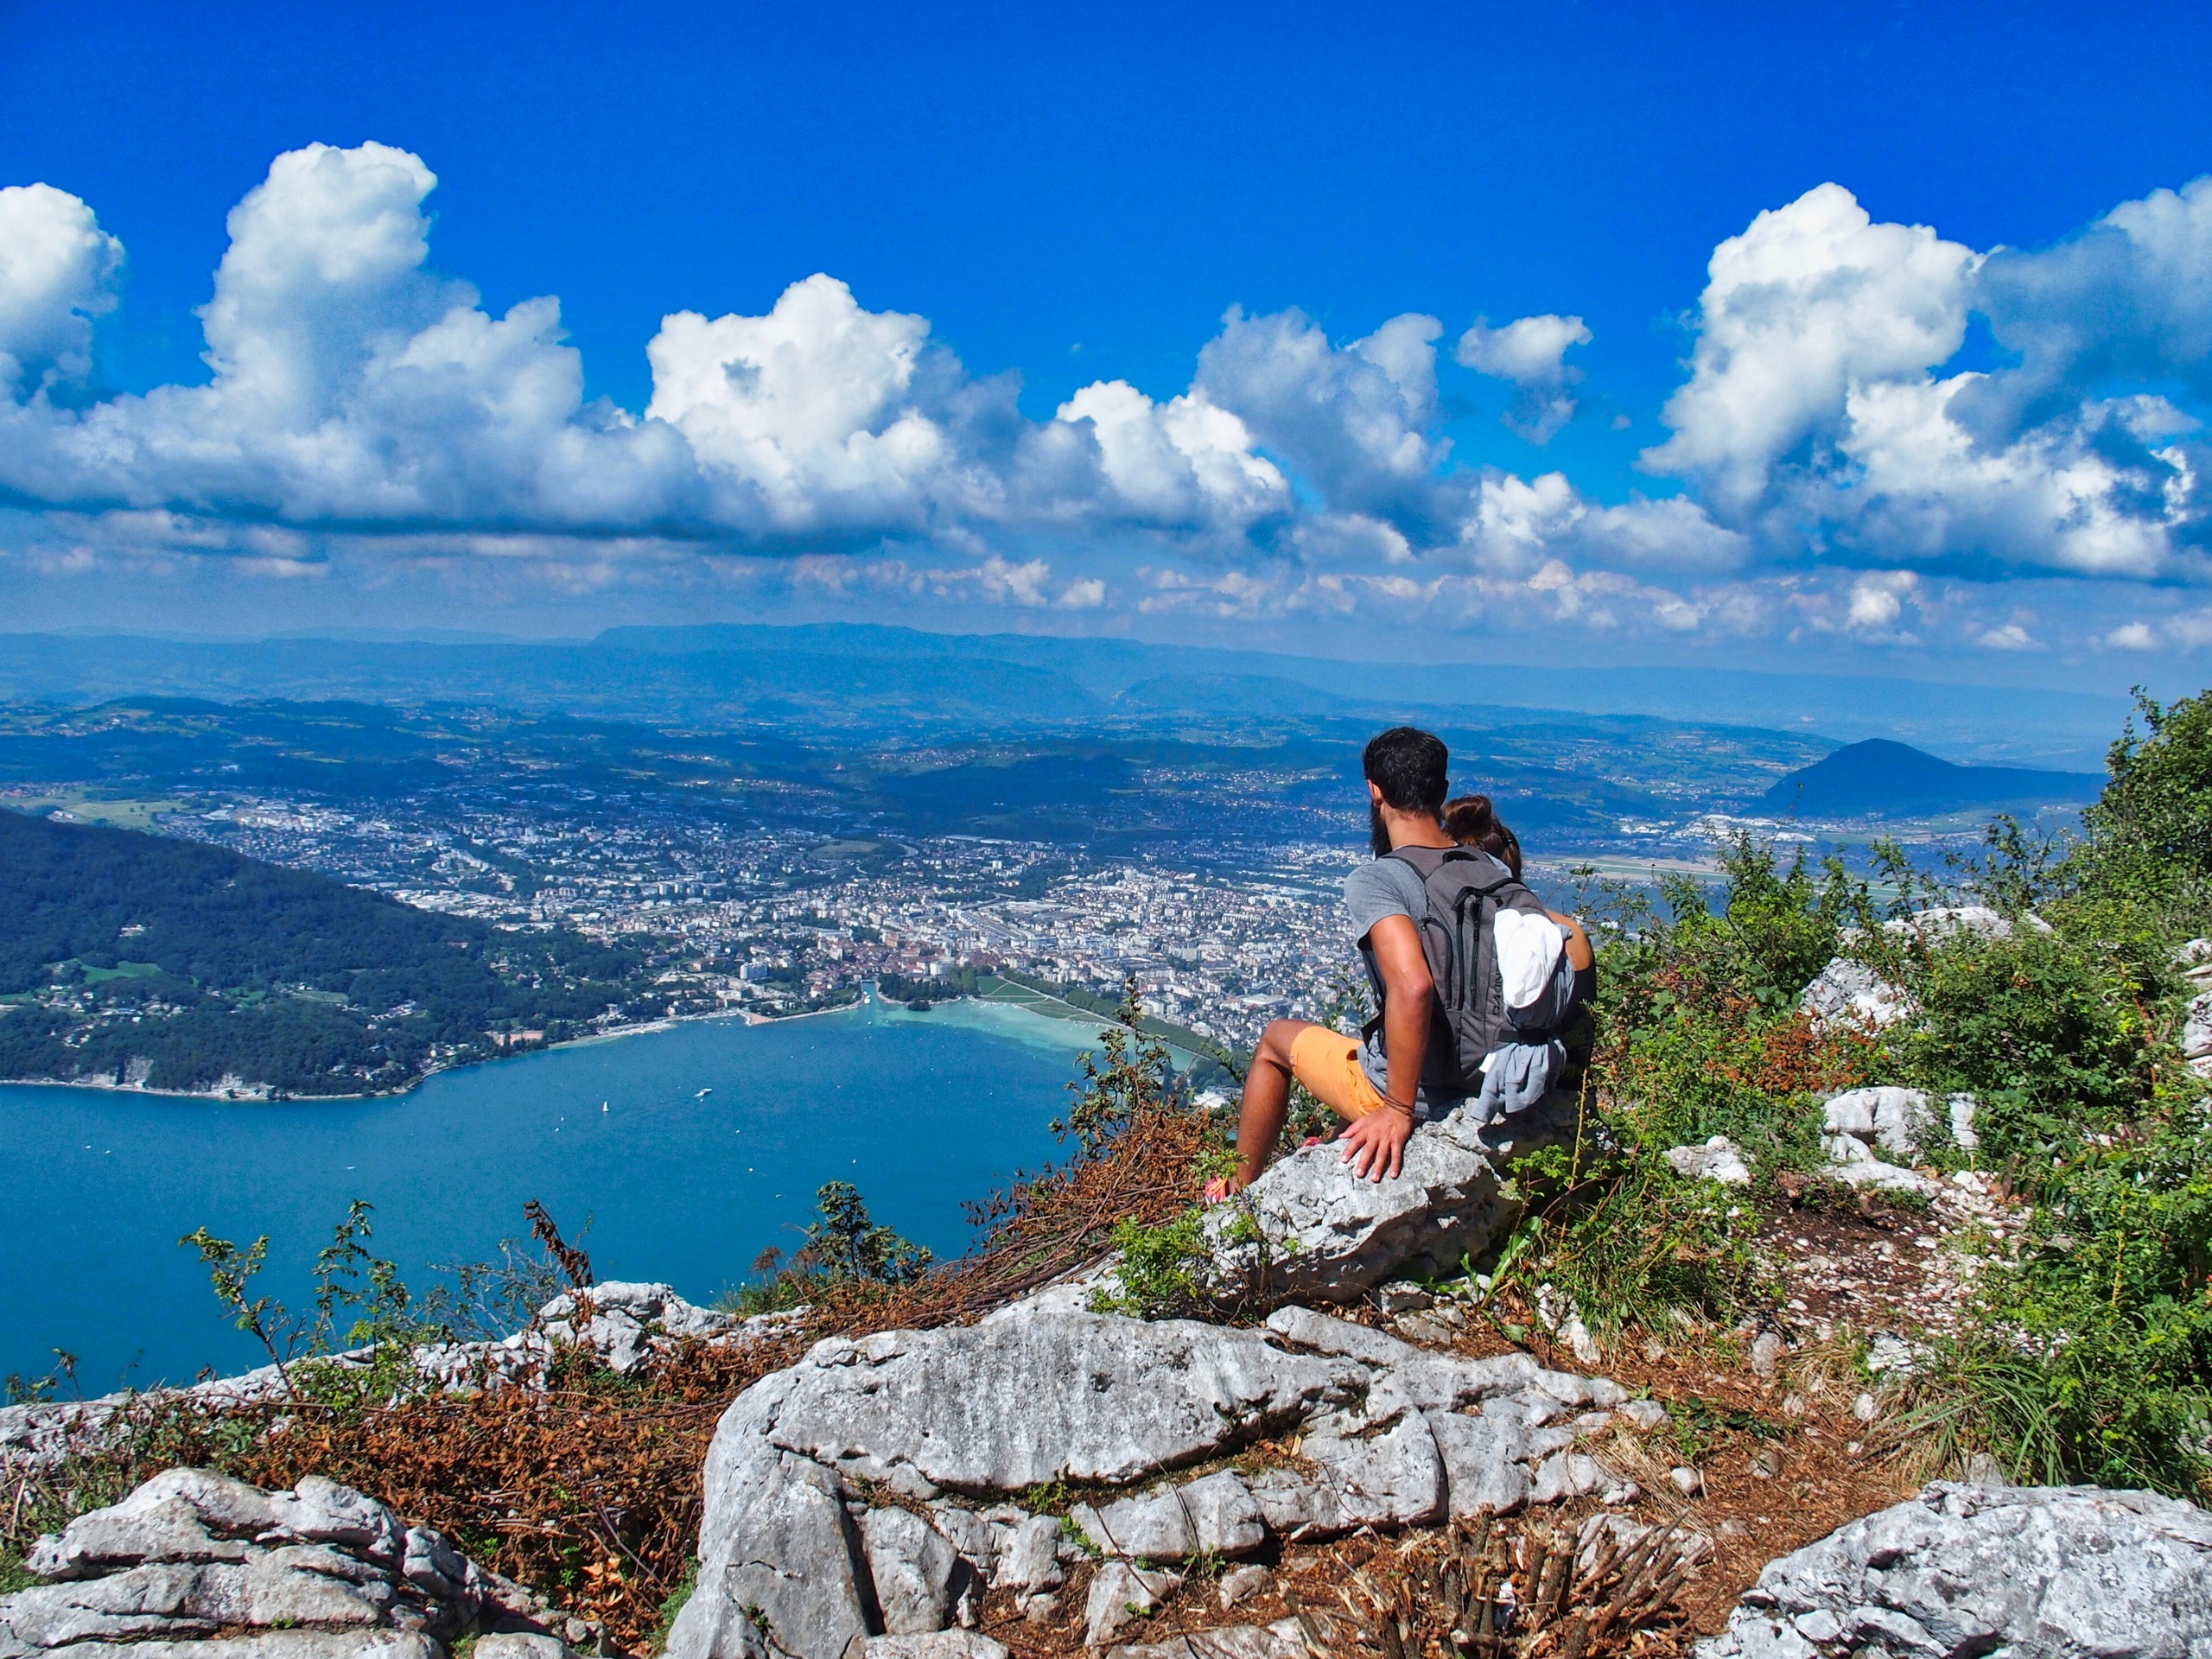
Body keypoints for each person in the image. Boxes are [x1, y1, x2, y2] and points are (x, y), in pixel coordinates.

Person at [1228, 731, 1593, 1191]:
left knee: (1274, 1041)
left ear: (1374, 792)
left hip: (1424, 1091)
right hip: (1504, 1076)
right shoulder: (1491, 870)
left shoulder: (1380, 878)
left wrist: (1397, 1110)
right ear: (1441, 793)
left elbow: (1413, 986)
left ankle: (1235, 1192)